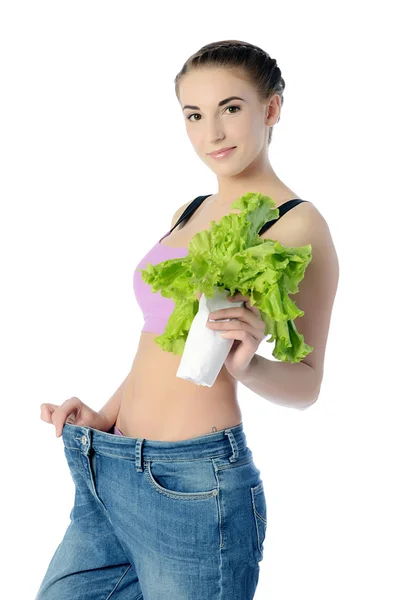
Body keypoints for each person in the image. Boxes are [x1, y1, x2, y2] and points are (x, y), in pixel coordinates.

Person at [35, 39, 339, 599]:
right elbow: (160, 337)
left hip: (196, 486)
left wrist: (248, 367)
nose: (212, 134)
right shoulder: (189, 211)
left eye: (230, 108)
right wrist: (106, 415)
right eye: (194, 116)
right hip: (112, 463)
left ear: (270, 109)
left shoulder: (298, 225)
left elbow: (308, 386)